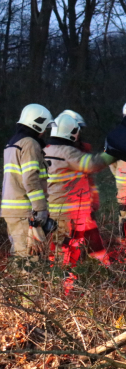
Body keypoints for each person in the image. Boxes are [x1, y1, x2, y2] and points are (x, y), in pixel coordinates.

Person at [44, 113, 116, 266]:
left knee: (59, 249)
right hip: (70, 213)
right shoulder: (66, 152)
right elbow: (92, 164)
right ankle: (63, 283)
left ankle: (59, 281)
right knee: (68, 250)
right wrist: (114, 154)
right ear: (72, 132)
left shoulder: (46, 150)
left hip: (56, 211)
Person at [1, 104, 53, 267]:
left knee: (20, 254)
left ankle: (17, 289)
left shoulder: (12, 143)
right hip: (25, 211)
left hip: (13, 211)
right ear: (38, 123)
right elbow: (30, 179)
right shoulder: (30, 144)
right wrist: (40, 209)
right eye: (45, 127)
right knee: (30, 259)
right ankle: (29, 290)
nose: (45, 132)